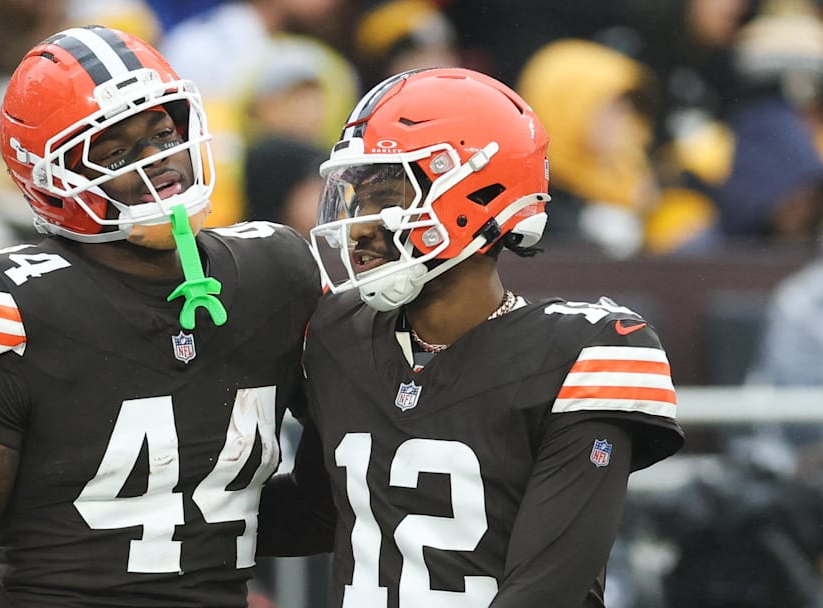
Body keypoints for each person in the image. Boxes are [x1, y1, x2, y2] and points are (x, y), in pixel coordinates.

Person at [0, 25, 321, 607]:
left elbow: (323, 506)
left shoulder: (275, 273)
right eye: (117, 152)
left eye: (163, 132)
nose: (159, 161)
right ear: (49, 179)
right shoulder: (19, 307)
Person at [257, 67, 686, 607]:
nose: (360, 224)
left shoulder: (580, 352)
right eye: (355, 197)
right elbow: (321, 513)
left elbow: (547, 589)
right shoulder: (337, 334)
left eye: (386, 195)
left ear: (476, 192)